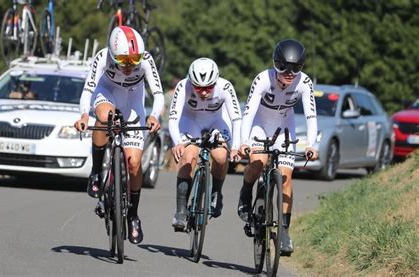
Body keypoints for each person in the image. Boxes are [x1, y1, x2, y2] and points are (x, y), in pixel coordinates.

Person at [74, 26, 163, 244]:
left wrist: (154, 116)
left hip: (134, 102)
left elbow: (158, 93)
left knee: (133, 164)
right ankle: (96, 172)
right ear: (113, 54)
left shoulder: (145, 60)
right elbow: (88, 89)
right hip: (107, 94)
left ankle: (133, 215)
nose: (129, 66)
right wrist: (84, 115)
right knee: (104, 117)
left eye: (134, 60)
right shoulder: (102, 57)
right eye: (123, 60)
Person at [237, 39, 319, 255]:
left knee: (285, 178)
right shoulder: (263, 79)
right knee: (258, 162)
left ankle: (283, 232)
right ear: (276, 64)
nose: (290, 73)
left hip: (284, 127)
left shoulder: (304, 82)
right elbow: (249, 112)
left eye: (296, 68)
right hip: (260, 126)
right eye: (285, 68)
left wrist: (312, 144)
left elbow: (311, 115)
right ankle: (246, 193)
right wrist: (244, 142)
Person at [168, 57, 242, 230]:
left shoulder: (225, 87)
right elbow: (173, 117)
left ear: (215, 81)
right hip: (191, 121)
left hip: (216, 121)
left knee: (221, 156)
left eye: (209, 87)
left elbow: (236, 118)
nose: (203, 92)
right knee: (188, 157)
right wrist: (177, 142)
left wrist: (236, 146)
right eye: (198, 87)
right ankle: (180, 211)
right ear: (191, 82)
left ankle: (216, 192)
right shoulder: (183, 86)